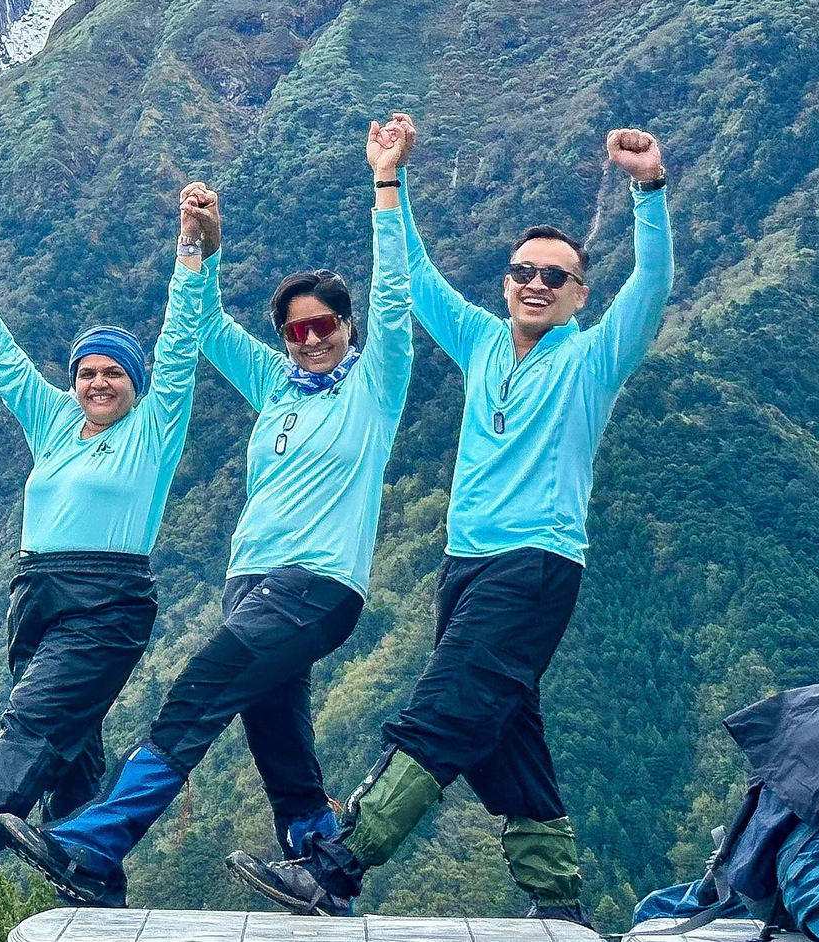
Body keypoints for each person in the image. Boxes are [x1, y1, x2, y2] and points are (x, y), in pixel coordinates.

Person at [229, 126, 674, 924]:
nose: (536, 283)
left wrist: (648, 193)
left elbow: (652, 286)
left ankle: (338, 866)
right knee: (504, 730)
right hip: (462, 568)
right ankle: (556, 899)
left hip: (535, 565)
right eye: (523, 272)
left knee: (447, 709)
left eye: (555, 276)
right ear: (507, 283)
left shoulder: (594, 358)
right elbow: (415, 283)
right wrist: (388, 183)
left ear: (580, 295)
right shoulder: (480, 342)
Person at [0, 119, 419, 907]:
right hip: (249, 582)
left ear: (349, 326)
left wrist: (386, 184)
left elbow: (395, 295)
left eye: (325, 324)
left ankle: (94, 840)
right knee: (278, 739)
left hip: (317, 583)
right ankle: (320, 867)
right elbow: (206, 328)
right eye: (295, 329)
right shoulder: (277, 383)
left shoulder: (375, 385)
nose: (310, 339)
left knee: (196, 694)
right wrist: (202, 247)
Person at [0, 189, 214, 916]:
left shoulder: (156, 428)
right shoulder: (57, 421)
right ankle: (95, 892)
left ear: (137, 385)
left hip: (107, 601)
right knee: (71, 751)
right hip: (33, 598)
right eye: (87, 372)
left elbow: (181, 340)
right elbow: (2, 361)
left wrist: (192, 250)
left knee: (32, 727)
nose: (97, 383)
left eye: (113, 373)